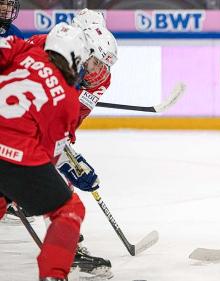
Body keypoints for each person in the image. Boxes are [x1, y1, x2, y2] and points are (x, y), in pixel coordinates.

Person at [26, 8, 118, 278]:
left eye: (104, 66)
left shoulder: (95, 79)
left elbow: (65, 125)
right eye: (97, 64)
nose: (100, 74)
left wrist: (68, 156)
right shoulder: (41, 51)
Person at [0, 23, 90, 281]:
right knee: (69, 209)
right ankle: (53, 276)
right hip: (16, 154)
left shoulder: (20, 49)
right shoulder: (68, 100)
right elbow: (48, 156)